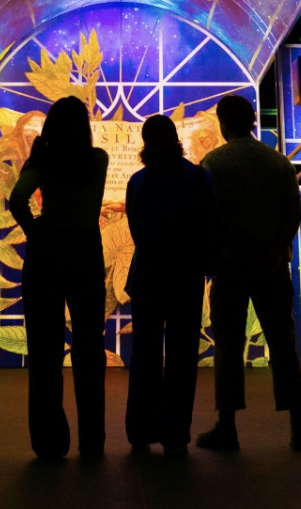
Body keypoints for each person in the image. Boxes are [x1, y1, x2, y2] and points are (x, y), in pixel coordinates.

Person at [197, 94, 301, 451]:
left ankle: (227, 426)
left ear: (222, 122)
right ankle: (299, 426)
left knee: (229, 346)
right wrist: (276, 248)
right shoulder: (278, 162)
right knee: (282, 343)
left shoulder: (213, 163)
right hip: (273, 266)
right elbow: (294, 214)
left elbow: (206, 218)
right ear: (251, 121)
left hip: (230, 266)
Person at [8, 96, 110, 459]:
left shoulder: (43, 162)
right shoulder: (98, 160)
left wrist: (35, 231)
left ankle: (49, 443)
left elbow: (17, 199)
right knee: (88, 349)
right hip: (85, 253)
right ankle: (92, 441)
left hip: (46, 255)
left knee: (45, 352)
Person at [123, 115, 217, 456]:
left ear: (147, 143)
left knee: (144, 355)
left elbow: (136, 229)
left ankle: (140, 430)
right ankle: (175, 432)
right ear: (176, 139)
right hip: (185, 277)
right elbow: (208, 225)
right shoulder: (197, 177)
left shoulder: (139, 181)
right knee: (181, 357)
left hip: (148, 275)